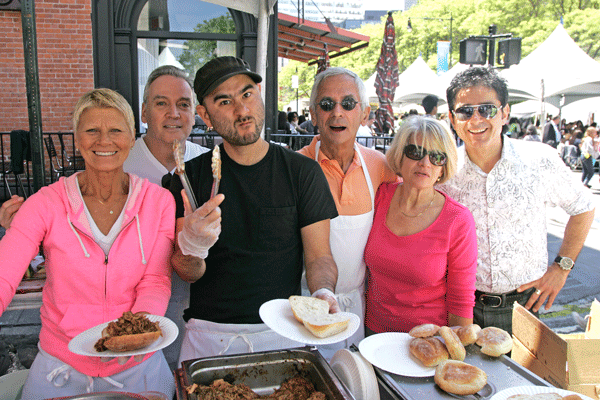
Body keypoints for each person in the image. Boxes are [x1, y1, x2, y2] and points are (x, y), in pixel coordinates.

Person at [0, 88, 176, 398]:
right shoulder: (45, 203)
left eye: (116, 130)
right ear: (78, 139)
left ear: (132, 136)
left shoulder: (159, 201)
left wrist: (133, 337)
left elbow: (156, 282)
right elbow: (5, 273)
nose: (104, 140)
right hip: (61, 365)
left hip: (138, 366)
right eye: (92, 130)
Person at [168, 56, 340, 362]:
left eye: (247, 94)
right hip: (209, 337)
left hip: (283, 333)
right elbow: (188, 273)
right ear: (204, 115)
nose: (242, 109)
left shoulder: (302, 173)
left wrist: (322, 293)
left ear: (259, 94)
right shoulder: (188, 179)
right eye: (225, 101)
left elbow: (319, 257)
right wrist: (192, 244)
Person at [441, 67, 595, 334]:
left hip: (525, 306)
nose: (476, 119)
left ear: (505, 113)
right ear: (453, 119)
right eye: (466, 111)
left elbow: (583, 207)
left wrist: (562, 267)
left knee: (525, 376)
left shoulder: (539, 159)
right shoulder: (442, 170)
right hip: (459, 307)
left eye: (487, 109)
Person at [298, 67, 398, 358]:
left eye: (348, 104)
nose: (337, 113)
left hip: (356, 306)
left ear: (364, 114)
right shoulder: (295, 167)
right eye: (326, 105)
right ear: (314, 115)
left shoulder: (379, 165)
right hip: (306, 303)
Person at [121, 65, 209, 371]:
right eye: (161, 103)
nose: (174, 113)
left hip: (201, 317)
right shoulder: (119, 169)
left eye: (183, 104)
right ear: (144, 113)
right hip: (133, 316)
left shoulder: (210, 166)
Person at [364, 116, 477, 334]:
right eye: (415, 152)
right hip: (371, 336)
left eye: (436, 157)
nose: (425, 163)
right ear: (400, 155)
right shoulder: (378, 197)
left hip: (428, 343)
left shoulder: (457, 220)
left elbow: (461, 301)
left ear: (443, 168)